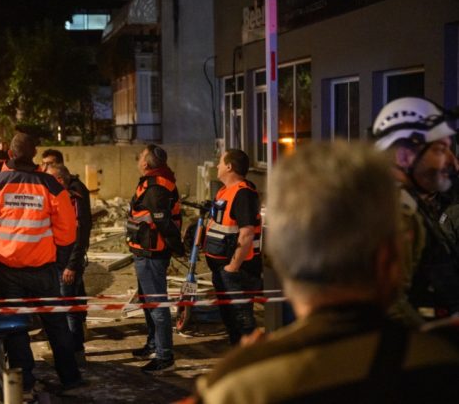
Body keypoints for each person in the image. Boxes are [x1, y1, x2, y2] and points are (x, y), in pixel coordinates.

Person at [192, 142, 459, 403]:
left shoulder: (238, 388)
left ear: (283, 257)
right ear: (389, 259)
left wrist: (244, 368)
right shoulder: (441, 365)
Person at [0, 133, 83, 397]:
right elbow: (68, 230)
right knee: (56, 324)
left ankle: (26, 382)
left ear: (9, 154)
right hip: (44, 269)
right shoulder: (51, 185)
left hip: (9, 270)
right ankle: (70, 377)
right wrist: (59, 260)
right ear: (34, 155)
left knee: (16, 326)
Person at [372, 96, 459, 322]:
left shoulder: (411, 205)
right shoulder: (394, 214)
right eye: (440, 150)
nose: (453, 163)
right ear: (403, 156)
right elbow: (390, 306)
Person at [127, 144, 184, 375]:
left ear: (147, 162)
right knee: (148, 302)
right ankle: (153, 345)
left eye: (141, 156)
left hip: (152, 253)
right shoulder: (152, 181)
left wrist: (176, 247)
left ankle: (164, 356)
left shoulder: (156, 186)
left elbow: (162, 221)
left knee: (157, 305)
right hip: (144, 251)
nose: (138, 159)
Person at [203, 149, 262, 345]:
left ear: (229, 167)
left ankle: (252, 359)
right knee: (231, 321)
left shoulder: (243, 194)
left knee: (242, 322)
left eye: (220, 162)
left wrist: (232, 267)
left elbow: (247, 234)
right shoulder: (224, 192)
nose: (217, 166)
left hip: (238, 271)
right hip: (222, 269)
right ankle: (240, 354)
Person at [45, 163, 92, 366]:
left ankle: (75, 353)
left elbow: (80, 236)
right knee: (65, 309)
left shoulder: (73, 199)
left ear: (59, 180)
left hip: (67, 265)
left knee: (69, 310)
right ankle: (70, 352)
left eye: (49, 179)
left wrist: (71, 265)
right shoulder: (60, 199)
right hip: (58, 262)